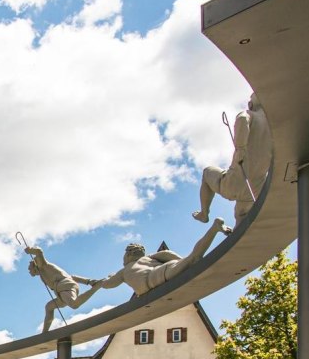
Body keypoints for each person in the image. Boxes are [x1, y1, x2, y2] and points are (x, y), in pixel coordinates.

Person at [93, 218, 231, 296]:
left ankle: (214, 229)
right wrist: (181, 262)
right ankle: (214, 229)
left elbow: (107, 285)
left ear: (128, 255)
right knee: (192, 258)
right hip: (163, 271)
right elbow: (168, 254)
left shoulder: (124, 271)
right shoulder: (149, 258)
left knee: (193, 259)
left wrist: (104, 280)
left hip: (156, 278)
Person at [194, 93, 272, 225]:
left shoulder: (251, 114)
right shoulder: (274, 129)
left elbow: (242, 119)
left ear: (250, 104)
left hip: (235, 181)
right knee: (240, 213)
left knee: (207, 172)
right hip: (257, 189)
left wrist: (240, 148)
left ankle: (204, 213)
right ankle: (239, 227)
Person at [22, 246, 103, 332]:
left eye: (30, 269)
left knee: (74, 304)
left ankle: (97, 287)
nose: (30, 271)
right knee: (49, 307)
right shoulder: (43, 273)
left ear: (35, 266)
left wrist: (30, 250)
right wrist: (88, 281)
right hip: (60, 291)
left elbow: (39, 251)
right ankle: (44, 332)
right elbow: (72, 277)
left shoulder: (43, 265)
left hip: (65, 286)